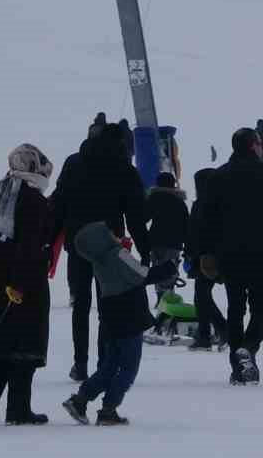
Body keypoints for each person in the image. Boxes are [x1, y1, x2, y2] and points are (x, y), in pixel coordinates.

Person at [49, 122, 151, 383]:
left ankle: (79, 363)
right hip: (109, 248)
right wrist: (145, 249)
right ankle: (103, 361)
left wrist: (48, 242)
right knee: (107, 305)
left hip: (78, 244)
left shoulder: (74, 163)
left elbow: (58, 204)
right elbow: (136, 215)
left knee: (80, 306)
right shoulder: (124, 168)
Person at [0, 144, 56, 425]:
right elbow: (29, 246)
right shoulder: (34, 200)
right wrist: (19, 283)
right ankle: (15, 409)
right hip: (23, 283)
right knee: (24, 348)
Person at [198, 128, 263, 386]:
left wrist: (206, 252)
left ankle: (238, 366)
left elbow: (204, 218)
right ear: (254, 146)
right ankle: (249, 348)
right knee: (260, 307)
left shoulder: (218, 176)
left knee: (235, 308)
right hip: (260, 251)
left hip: (228, 253)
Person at [59, 223, 179, 426]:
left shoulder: (98, 260)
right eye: (109, 234)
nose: (114, 236)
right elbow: (141, 275)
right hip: (129, 314)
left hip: (110, 315)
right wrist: (170, 267)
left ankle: (80, 400)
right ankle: (108, 409)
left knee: (111, 364)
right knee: (128, 368)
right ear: (101, 240)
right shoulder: (119, 254)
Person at [185, 168, 227, 351]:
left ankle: (214, 332)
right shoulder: (219, 204)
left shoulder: (203, 205)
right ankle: (211, 333)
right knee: (201, 297)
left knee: (202, 297)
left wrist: (192, 252)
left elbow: (195, 232)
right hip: (206, 257)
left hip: (205, 258)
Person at [144, 172, 188, 298]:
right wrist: (187, 247)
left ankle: (161, 298)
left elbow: (143, 218)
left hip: (155, 241)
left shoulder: (154, 199)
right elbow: (186, 227)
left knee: (157, 272)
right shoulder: (180, 202)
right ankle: (168, 299)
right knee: (169, 273)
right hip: (174, 243)